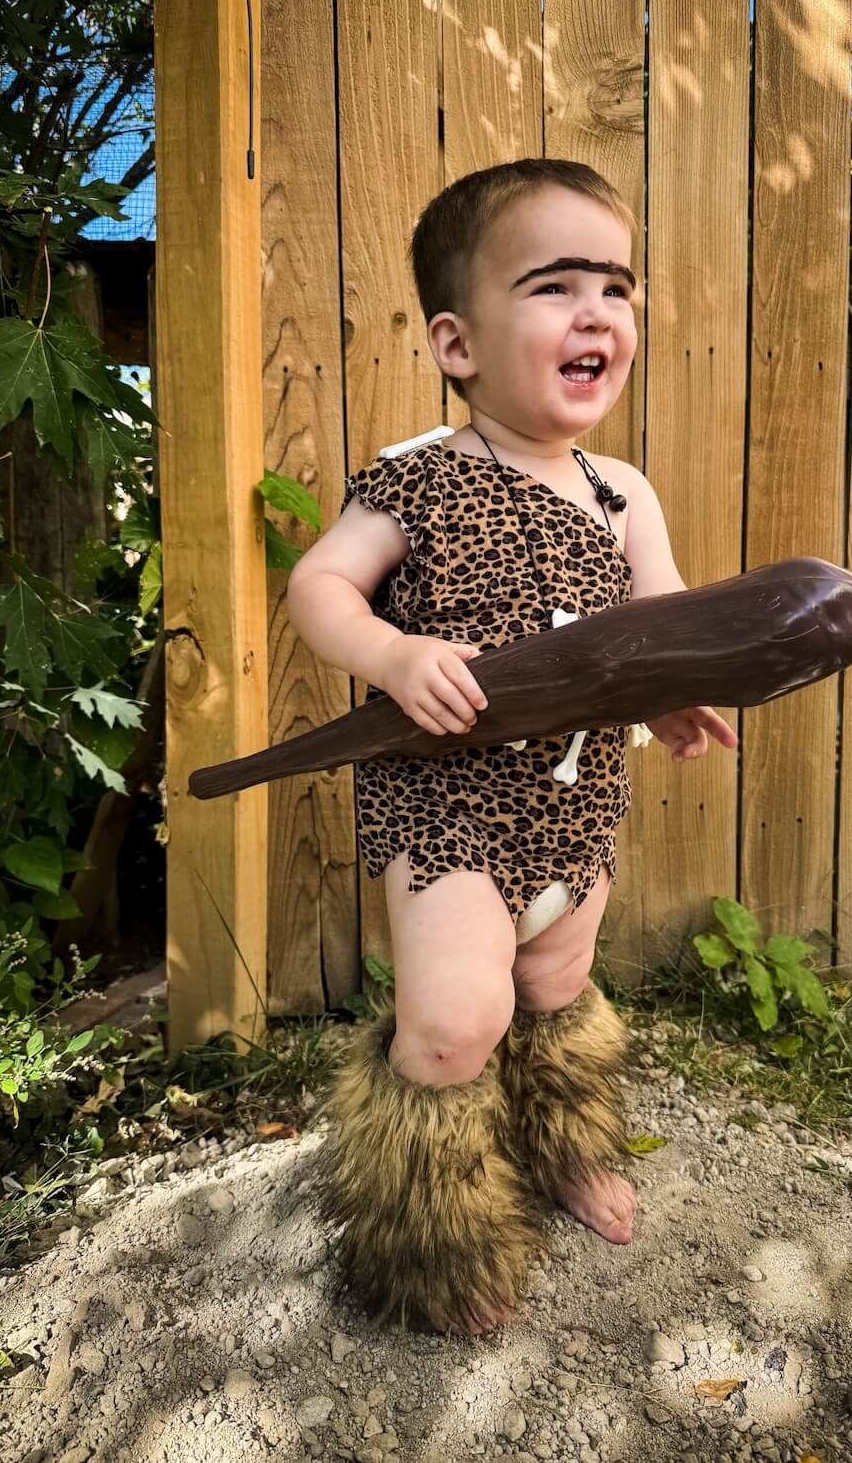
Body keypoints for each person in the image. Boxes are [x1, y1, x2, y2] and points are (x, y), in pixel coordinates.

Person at [286, 158, 737, 1336]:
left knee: (557, 985)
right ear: (458, 343)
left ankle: (563, 1148)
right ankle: (429, 1240)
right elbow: (320, 585)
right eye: (553, 286)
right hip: (445, 805)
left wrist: (680, 686)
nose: (595, 312)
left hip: (574, 803)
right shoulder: (420, 481)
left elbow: (663, 620)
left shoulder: (621, 494)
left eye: (615, 288)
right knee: (452, 1023)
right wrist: (387, 656)